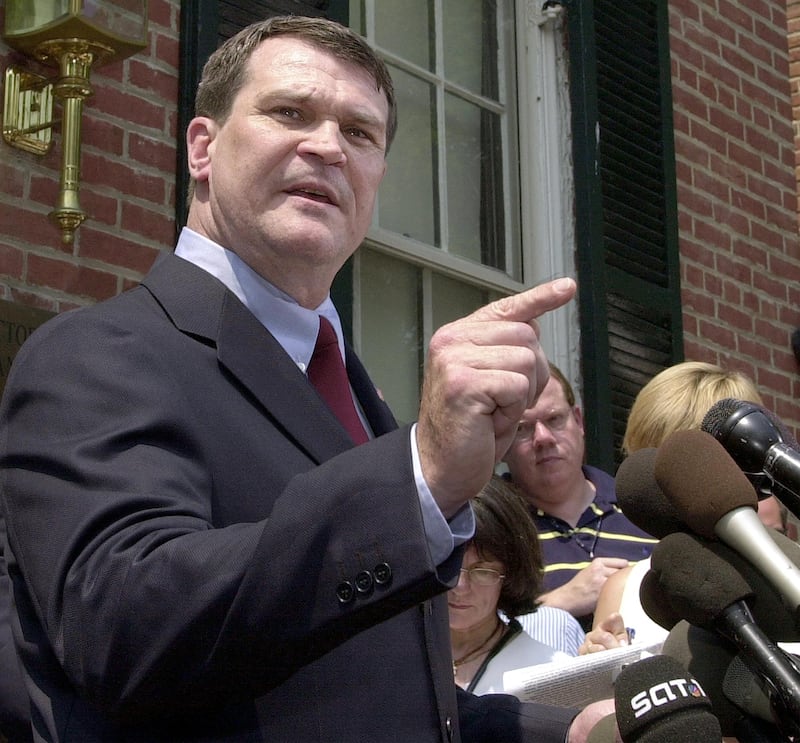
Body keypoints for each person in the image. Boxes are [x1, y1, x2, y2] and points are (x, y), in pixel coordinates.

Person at [0, 16, 613, 743]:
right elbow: (127, 631)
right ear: (202, 147)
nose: (326, 146)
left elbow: (374, 691)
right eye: (289, 112)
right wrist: (419, 476)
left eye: (360, 133)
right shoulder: (96, 353)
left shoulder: (356, 395)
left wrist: (576, 731)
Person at [580, 361, 767, 654]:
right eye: (645, 464)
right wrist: (597, 661)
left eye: (679, 467)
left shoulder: (786, 575)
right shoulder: (621, 590)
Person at [502, 363, 657, 630]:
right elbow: (469, 647)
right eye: (522, 429)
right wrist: (563, 601)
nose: (543, 438)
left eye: (554, 419)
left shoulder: (642, 510)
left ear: (579, 421)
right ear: (501, 444)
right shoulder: (491, 530)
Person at [450, 477, 574, 694]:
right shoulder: (393, 657)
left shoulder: (548, 672)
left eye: (482, 571)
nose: (460, 586)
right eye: (449, 566)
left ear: (509, 575)